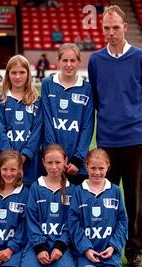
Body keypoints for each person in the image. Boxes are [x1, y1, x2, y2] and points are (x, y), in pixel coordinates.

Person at [88, 5, 142, 267]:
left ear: (125, 28)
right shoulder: (96, 60)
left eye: (116, 27)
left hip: (135, 139)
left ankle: (135, 249)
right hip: (106, 139)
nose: (111, 32)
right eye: (106, 28)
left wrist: (135, 120)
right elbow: (95, 98)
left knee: (134, 196)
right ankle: (106, 247)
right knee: (105, 196)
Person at [69, 148, 128, 267]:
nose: (97, 172)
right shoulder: (78, 191)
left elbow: (122, 221)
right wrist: (86, 249)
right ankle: (82, 262)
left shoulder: (114, 191)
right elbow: (74, 223)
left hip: (108, 251)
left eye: (101, 168)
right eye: (93, 168)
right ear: (86, 166)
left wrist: (114, 246)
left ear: (108, 167)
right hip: (86, 252)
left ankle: (109, 263)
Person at [20, 144, 77, 267]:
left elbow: (72, 223)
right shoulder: (35, 187)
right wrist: (39, 248)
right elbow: (31, 220)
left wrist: (60, 246)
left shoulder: (73, 190)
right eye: (50, 162)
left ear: (65, 161)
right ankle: (40, 266)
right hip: (37, 245)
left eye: (58, 162)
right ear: (43, 162)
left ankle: (58, 266)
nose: (54, 167)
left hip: (60, 247)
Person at [41, 43, 94, 186]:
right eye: (65, 60)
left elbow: (87, 126)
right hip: (52, 163)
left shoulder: (87, 88)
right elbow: (47, 122)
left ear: (79, 62)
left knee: (74, 207)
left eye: (73, 61)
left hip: (76, 166)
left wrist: (77, 159)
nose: (69, 64)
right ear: (58, 61)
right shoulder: (48, 84)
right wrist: (55, 158)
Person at [0, 54, 42, 186]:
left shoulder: (37, 101)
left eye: (22, 72)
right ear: (7, 75)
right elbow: (0, 131)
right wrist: (11, 158)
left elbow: (37, 131)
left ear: (28, 74)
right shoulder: (1, 101)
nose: (17, 76)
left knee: (28, 196)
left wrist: (24, 155)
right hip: (5, 160)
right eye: (13, 72)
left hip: (30, 160)